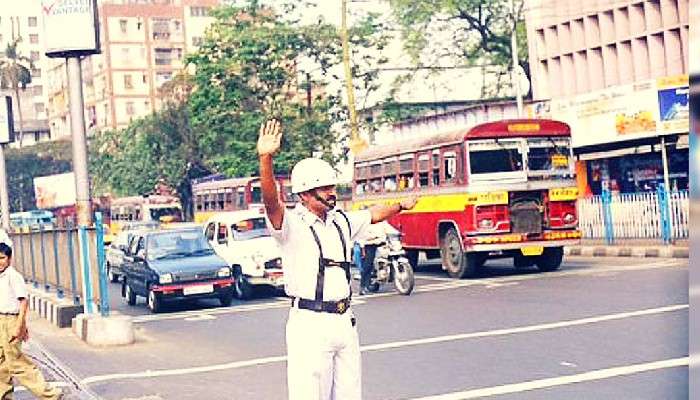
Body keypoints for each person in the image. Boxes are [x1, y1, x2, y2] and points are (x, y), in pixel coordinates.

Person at [257, 120, 417, 400]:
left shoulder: (340, 221)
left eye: (332, 186)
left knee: (349, 394)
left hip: (344, 321)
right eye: (325, 188)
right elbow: (271, 202)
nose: (332, 192)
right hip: (310, 323)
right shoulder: (291, 226)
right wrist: (265, 159)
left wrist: (400, 205)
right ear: (305, 195)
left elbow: (373, 214)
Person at [0, 242, 63, 400]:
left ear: (9, 259)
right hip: (1, 320)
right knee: (2, 364)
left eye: (2, 258)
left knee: (17, 362)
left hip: (11, 321)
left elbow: (23, 302)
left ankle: (50, 394)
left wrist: (20, 326)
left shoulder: (13, 276)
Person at [358, 220, 399, 295]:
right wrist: (363, 247)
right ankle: (362, 286)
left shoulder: (382, 222)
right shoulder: (365, 224)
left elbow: (390, 229)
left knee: (389, 256)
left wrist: (398, 233)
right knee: (368, 265)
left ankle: (385, 273)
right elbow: (361, 238)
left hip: (382, 244)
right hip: (369, 245)